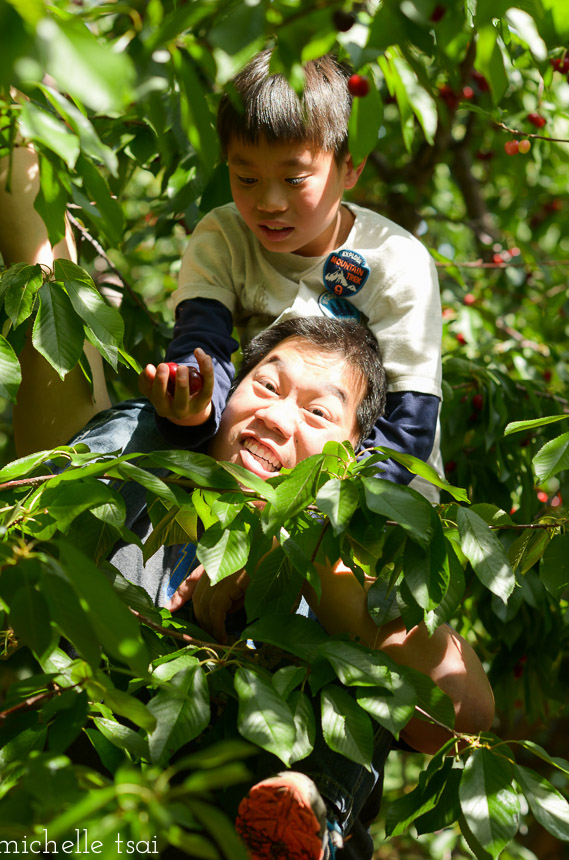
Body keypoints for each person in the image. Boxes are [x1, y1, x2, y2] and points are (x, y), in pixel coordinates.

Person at [100, 316, 493, 860]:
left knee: (349, 648)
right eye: (266, 385)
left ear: (351, 461)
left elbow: (461, 716)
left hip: (289, 824)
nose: (278, 417)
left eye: (317, 412)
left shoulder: (358, 562)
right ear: (227, 394)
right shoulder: (143, 483)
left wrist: (287, 549)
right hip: (116, 821)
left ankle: (308, 810)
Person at [0, 48, 442, 505]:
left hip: (375, 486)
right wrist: (191, 404)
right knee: (131, 430)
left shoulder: (397, 262)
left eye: (295, 179)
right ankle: (46, 508)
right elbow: (202, 346)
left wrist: (340, 507)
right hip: (255, 453)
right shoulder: (222, 237)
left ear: (351, 167)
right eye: (246, 179)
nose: (269, 202)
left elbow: (410, 422)